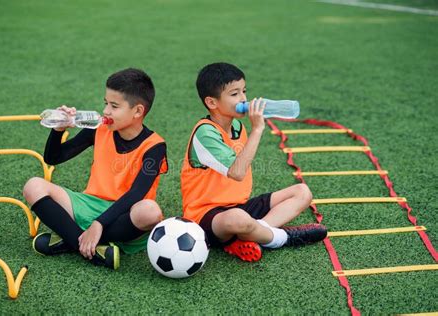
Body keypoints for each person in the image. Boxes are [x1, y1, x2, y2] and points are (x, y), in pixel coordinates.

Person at [180, 62, 327, 262]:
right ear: (212, 103)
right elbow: (237, 172)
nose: (243, 99)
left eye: (244, 91)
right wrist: (257, 129)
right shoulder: (205, 133)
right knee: (238, 219)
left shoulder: (237, 126)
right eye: (234, 94)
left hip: (239, 205)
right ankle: (281, 238)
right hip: (206, 216)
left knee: (302, 192)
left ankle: (255, 234)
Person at [23, 68, 168, 269]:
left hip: (124, 215)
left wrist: (98, 224)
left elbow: (136, 194)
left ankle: (70, 238)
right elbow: (53, 158)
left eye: (114, 106)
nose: (106, 111)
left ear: (138, 111)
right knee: (33, 186)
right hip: (89, 205)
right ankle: (87, 247)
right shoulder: (100, 130)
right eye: (105, 103)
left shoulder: (155, 146)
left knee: (150, 212)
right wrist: (58, 130)